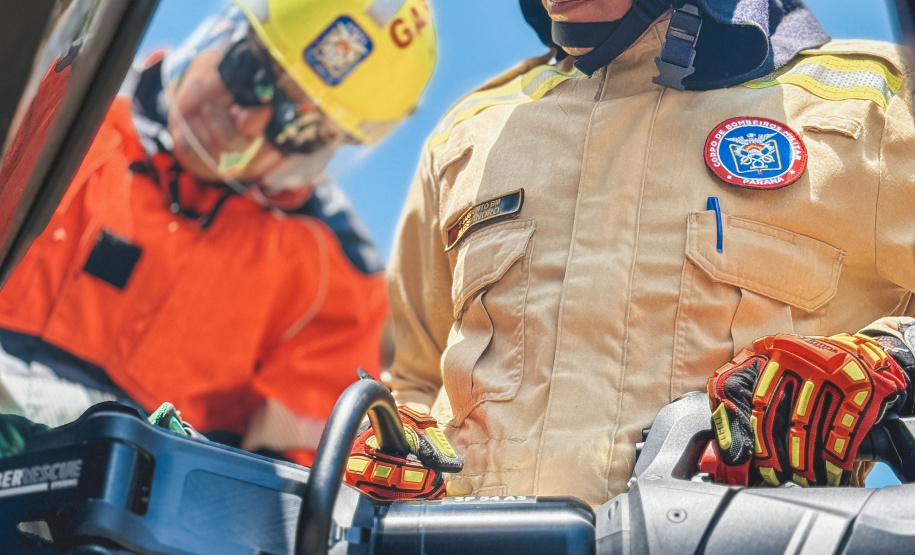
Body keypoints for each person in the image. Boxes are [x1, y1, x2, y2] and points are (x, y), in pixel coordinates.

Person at [348, 0, 915, 507]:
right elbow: (414, 383)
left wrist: (890, 361)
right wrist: (396, 442)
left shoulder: (879, 104)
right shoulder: (470, 135)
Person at [0, 0, 436, 465]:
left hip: (126, 495)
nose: (246, 123)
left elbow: (291, 483)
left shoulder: (336, 277)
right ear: (224, 29)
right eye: (252, 72)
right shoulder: (56, 93)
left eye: (298, 129)